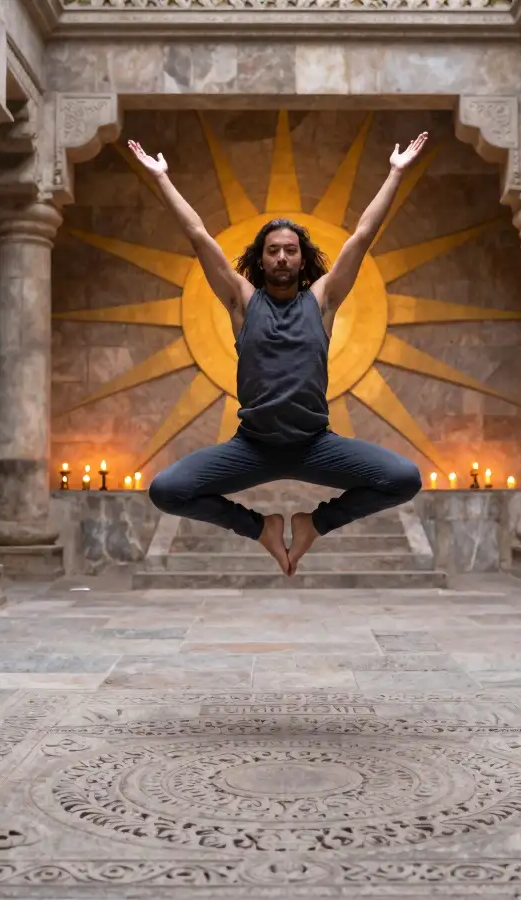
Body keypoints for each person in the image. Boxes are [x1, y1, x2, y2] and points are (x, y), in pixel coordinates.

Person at [131, 130, 428, 576]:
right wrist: (161, 178)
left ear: (302, 260)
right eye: (274, 251)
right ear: (262, 259)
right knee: (166, 490)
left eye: (291, 250)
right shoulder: (241, 302)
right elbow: (197, 235)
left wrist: (395, 172)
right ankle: (261, 528)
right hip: (252, 447)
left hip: (315, 446)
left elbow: (362, 237)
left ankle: (314, 524)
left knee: (404, 479)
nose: (283, 258)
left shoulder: (323, 302)